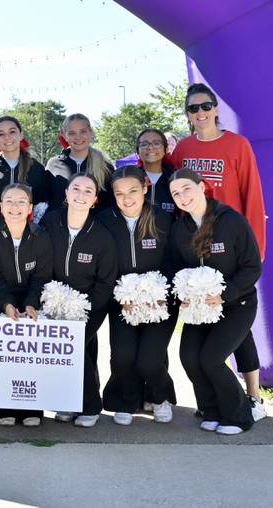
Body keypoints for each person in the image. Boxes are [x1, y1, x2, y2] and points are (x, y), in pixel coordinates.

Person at [168, 83, 266, 417]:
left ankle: (253, 396)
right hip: (198, 248)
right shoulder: (183, 148)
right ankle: (213, 402)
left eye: (205, 106)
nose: (200, 113)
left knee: (239, 324)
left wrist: (257, 247)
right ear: (188, 114)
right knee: (207, 328)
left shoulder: (238, 145)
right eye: (193, 108)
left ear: (215, 108)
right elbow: (174, 186)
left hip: (232, 244)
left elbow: (252, 193)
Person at [168, 168, 262, 435]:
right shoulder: (179, 228)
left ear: (202, 186)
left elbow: (252, 267)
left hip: (236, 305)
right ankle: (211, 410)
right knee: (188, 356)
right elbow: (176, 266)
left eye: (187, 188)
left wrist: (225, 293)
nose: (182, 197)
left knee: (211, 359)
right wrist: (183, 293)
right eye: (176, 193)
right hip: (201, 309)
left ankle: (240, 415)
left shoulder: (231, 221)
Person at [98, 166, 177, 425]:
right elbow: (103, 265)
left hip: (159, 302)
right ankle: (125, 400)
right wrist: (120, 295)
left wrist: (160, 292)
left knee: (150, 359)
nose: (127, 198)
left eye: (133, 190)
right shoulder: (105, 220)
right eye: (119, 193)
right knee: (122, 356)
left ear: (145, 188)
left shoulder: (163, 219)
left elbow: (174, 259)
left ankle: (160, 397)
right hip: (123, 302)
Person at [40, 174, 117, 427]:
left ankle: (91, 406)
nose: (80, 195)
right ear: (66, 193)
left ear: (95, 200)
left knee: (74, 349)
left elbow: (106, 281)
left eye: (87, 191)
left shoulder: (102, 235)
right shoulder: (51, 221)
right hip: (52, 301)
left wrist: (89, 309)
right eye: (76, 189)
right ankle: (65, 402)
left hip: (89, 305)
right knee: (59, 354)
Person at [0, 183, 53, 427]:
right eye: (9, 201)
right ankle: (3, 406)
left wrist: (31, 303)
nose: (15, 206)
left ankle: (32, 407)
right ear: (1, 207)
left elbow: (42, 275)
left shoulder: (41, 236)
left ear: (30, 207)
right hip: (0, 300)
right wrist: (6, 305)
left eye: (21, 201)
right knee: (4, 358)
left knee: (30, 357)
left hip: (32, 300)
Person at [0, 116, 49, 225]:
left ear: (21, 135)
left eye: (12, 132)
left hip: (27, 238)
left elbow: (42, 205)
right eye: (1, 134)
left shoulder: (37, 169)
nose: (7, 137)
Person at [46, 113, 114, 212]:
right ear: (64, 135)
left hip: (95, 226)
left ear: (91, 132)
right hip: (59, 226)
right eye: (72, 133)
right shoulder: (54, 164)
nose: (78, 137)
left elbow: (110, 203)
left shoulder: (105, 166)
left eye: (83, 131)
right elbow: (47, 200)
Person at [135, 128, 176, 217]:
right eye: (144, 144)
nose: (150, 147)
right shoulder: (131, 178)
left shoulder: (175, 179)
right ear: (138, 150)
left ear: (165, 149)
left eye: (156, 143)